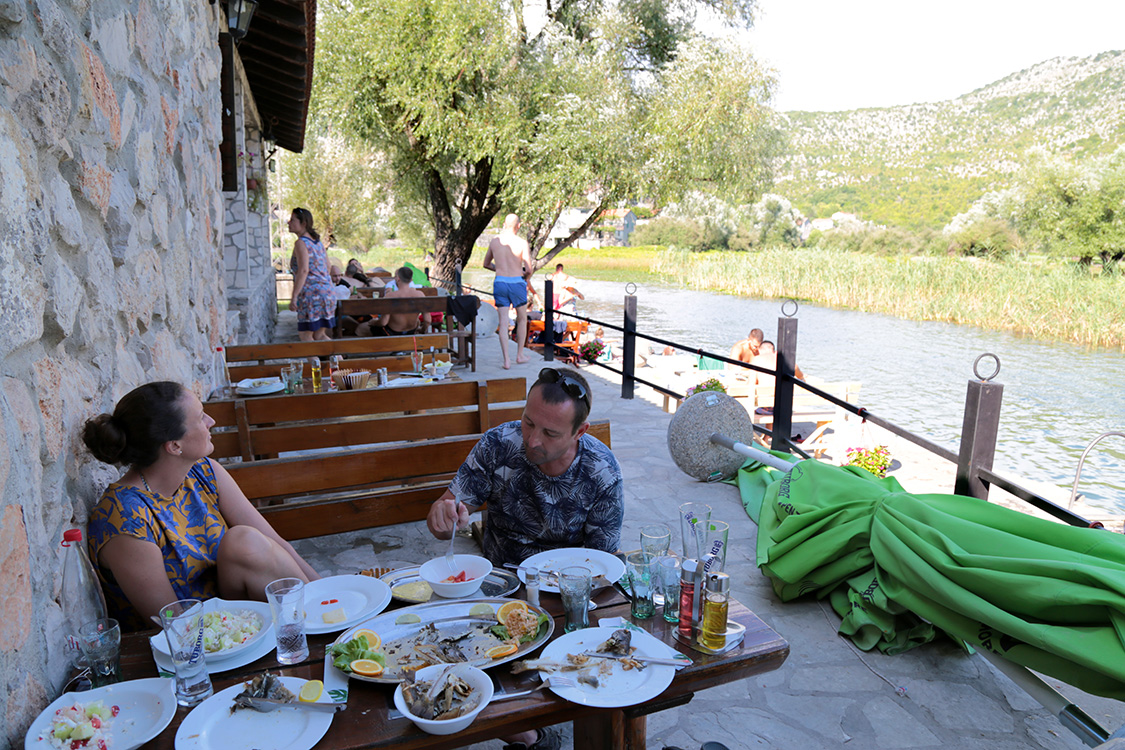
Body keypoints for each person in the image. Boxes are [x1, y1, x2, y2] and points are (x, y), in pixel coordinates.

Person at [81, 382, 319, 631]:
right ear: (175, 445)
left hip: (236, 613)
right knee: (245, 541)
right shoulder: (125, 518)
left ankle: (320, 626)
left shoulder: (204, 471)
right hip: (195, 637)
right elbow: (171, 622)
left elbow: (276, 545)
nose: (211, 421)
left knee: (246, 541)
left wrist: (326, 596)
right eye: (201, 416)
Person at [426, 367, 623, 567]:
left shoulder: (602, 471)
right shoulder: (497, 445)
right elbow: (443, 525)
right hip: (502, 577)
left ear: (579, 432)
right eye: (528, 422)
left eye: (550, 433)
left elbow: (604, 559)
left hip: (566, 578)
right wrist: (443, 518)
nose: (533, 441)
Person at [483, 214, 533, 369]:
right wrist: (524, 275)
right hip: (517, 282)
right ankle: (520, 355)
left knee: (503, 322)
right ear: (518, 226)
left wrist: (499, 269)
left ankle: (506, 360)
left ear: (504, 224)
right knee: (522, 319)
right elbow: (529, 269)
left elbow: (486, 264)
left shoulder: (494, 241)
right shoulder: (522, 243)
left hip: (500, 282)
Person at [288, 208, 335, 341]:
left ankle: (319, 357)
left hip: (311, 295)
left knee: (306, 336)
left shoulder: (301, 243)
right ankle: (337, 355)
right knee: (320, 335)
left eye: (292, 220)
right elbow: (328, 267)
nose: (288, 222)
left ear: (303, 223)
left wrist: (294, 297)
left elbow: (303, 270)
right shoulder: (318, 243)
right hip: (327, 292)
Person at [355, 266, 425, 336]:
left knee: (360, 328)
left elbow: (383, 322)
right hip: (411, 331)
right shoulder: (420, 294)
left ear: (398, 278)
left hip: (391, 333)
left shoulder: (390, 296)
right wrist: (422, 330)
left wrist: (373, 322)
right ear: (411, 280)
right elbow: (427, 320)